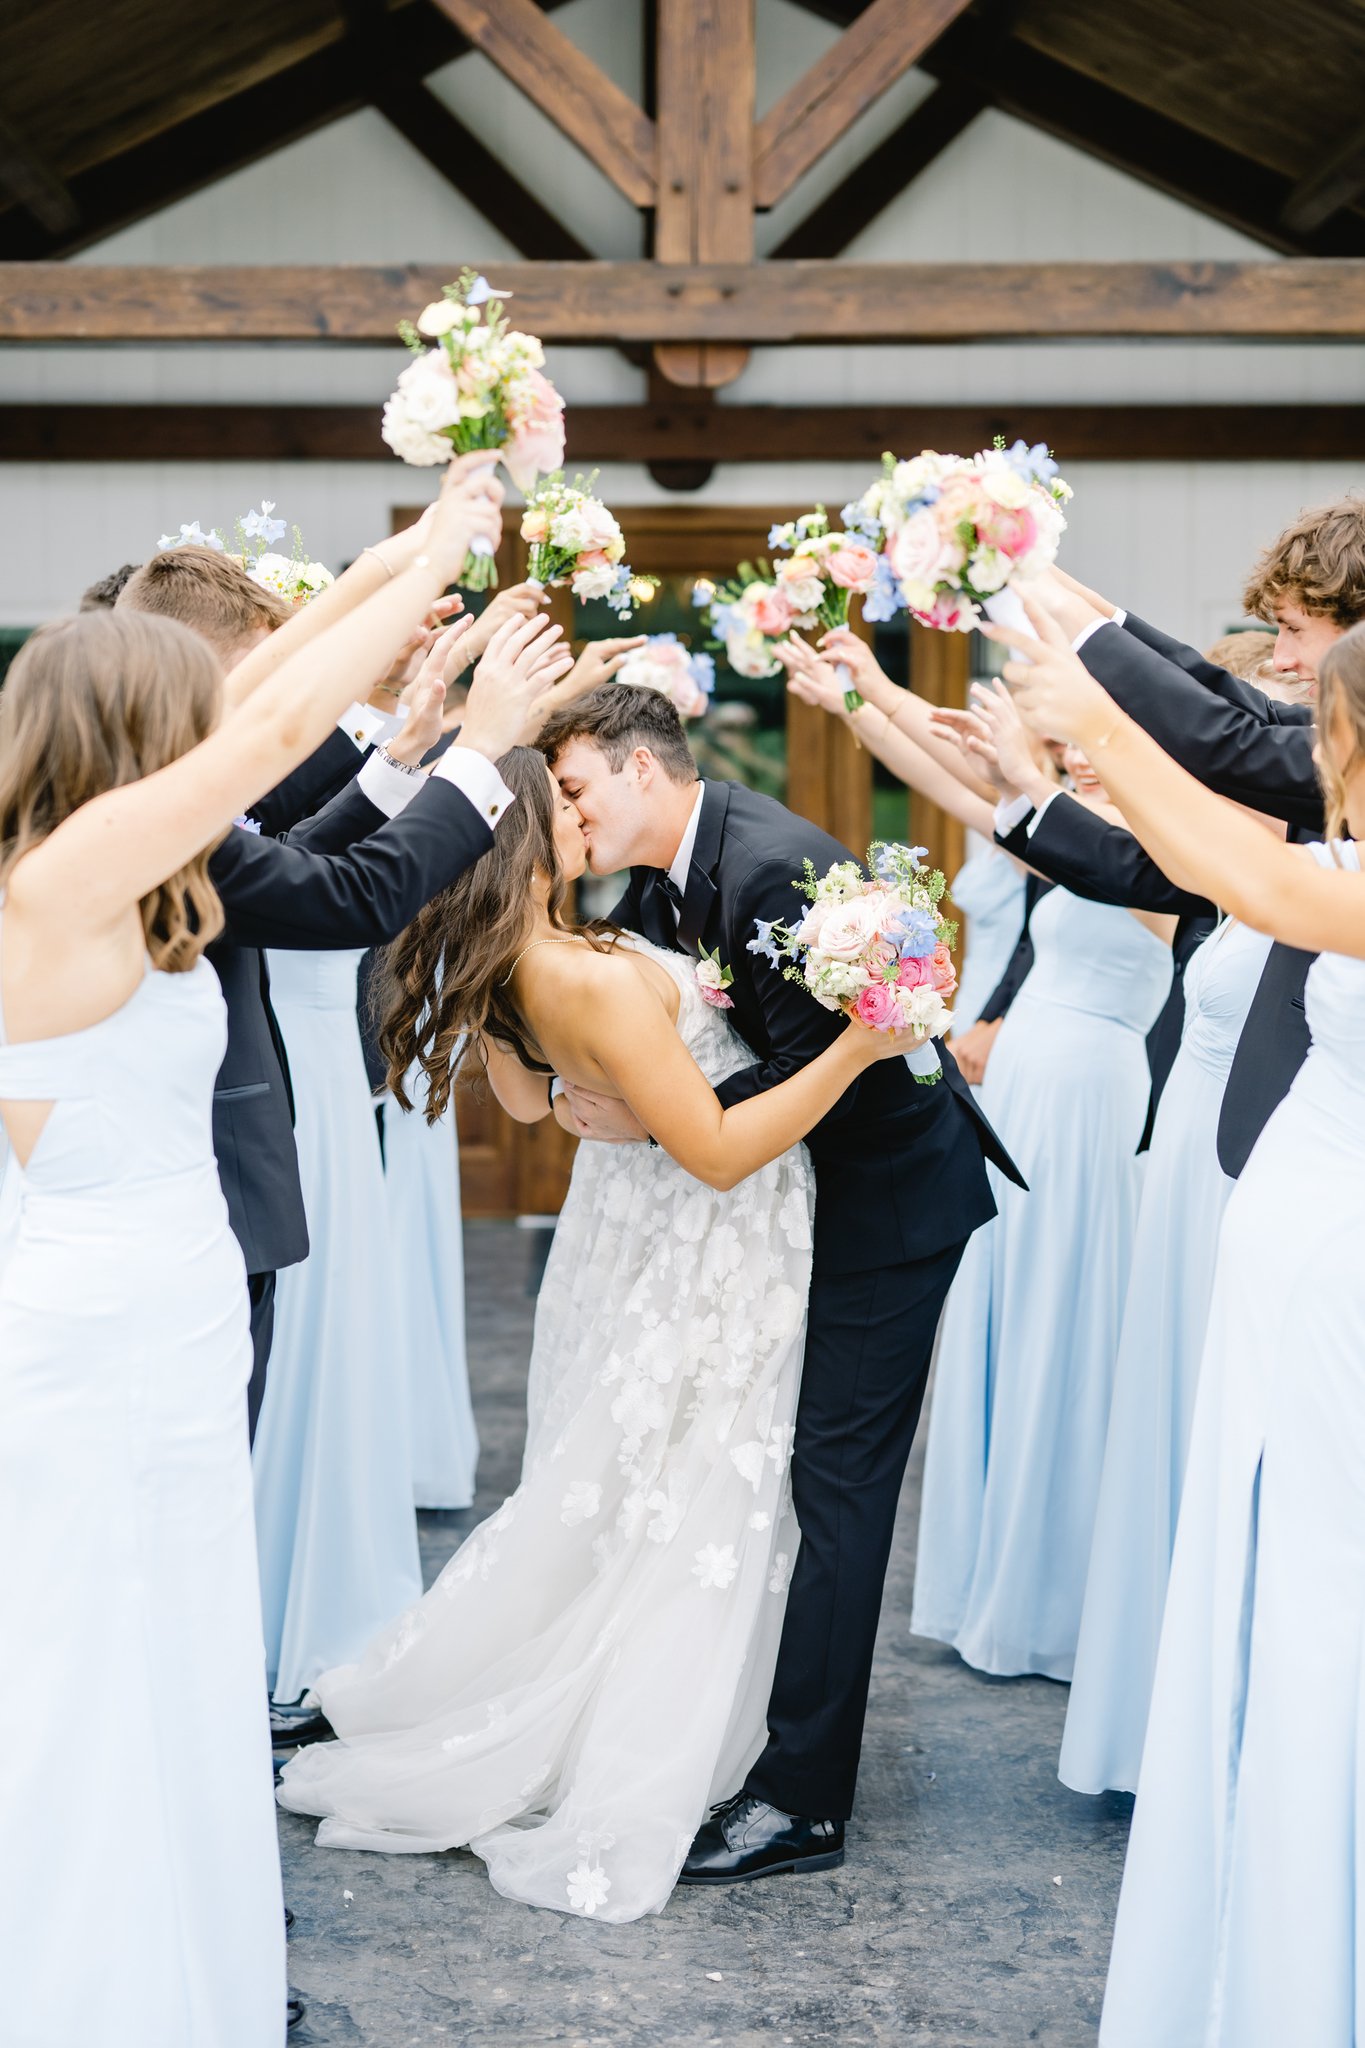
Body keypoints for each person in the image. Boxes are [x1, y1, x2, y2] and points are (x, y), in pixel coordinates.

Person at [0, 457, 512, 2048]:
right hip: (83, 1327)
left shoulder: (122, 868)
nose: (217, 736)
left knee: (176, 1641)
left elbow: (279, 691)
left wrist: (404, 579)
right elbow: (278, 726)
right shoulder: (52, 886)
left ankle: (186, 1955)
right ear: (128, 740)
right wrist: (432, 556)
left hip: (165, 1315)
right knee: (89, 1649)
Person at [277, 744, 924, 1919]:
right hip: (718, 1235)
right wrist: (862, 1043)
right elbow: (721, 1154)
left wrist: (604, 1110)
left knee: (636, 1478)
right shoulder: (603, 977)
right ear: (527, 843)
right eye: (561, 801)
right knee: (694, 1486)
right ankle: (660, 1729)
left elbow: (532, 1103)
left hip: (629, 1233)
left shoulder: (510, 963)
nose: (579, 811)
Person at [542, 687, 1020, 1882]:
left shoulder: (766, 872)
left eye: (576, 786)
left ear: (641, 769)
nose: (568, 810)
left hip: (892, 1203)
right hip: (817, 1200)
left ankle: (802, 1798)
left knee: (837, 1486)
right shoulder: (661, 879)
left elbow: (831, 1073)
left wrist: (662, 1125)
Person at [991, 599, 1365, 2048]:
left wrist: (1094, 722)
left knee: (1324, 1577)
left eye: (1328, 735)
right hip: (1292, 1261)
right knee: (1279, 1573)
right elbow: (1243, 845)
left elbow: (1239, 874)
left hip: (1338, 1277)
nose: (1315, 757)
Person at [114, 513, 558, 1438]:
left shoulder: (134, 806)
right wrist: (478, 751)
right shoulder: (144, 816)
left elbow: (272, 875)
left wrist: (401, 753)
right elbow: (350, 898)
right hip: (175, 1205)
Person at [909, 725, 1174, 1678]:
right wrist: (862, 690)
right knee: (1010, 1307)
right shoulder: (1079, 830)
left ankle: (1051, 1594)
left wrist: (1038, 783)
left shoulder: (1166, 848)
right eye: (1075, 745)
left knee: (1061, 1316)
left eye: (1105, 741)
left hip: (1087, 1088)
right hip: (1031, 1082)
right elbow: (953, 784)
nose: (1083, 758)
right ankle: (991, 1574)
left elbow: (1141, 889)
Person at [774, 630, 1029, 1042]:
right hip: (976, 1007)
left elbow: (947, 773)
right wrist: (847, 703)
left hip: (1005, 1021)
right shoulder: (1008, 818)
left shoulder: (1042, 835)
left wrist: (879, 692)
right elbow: (928, 774)